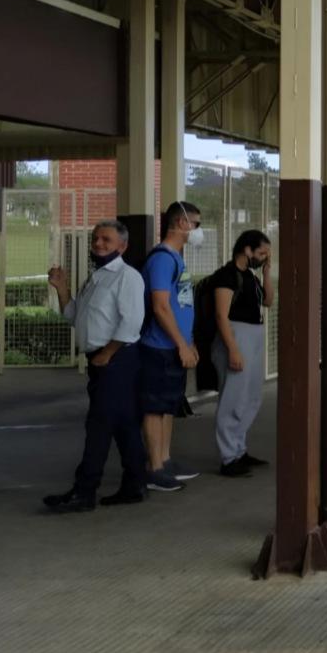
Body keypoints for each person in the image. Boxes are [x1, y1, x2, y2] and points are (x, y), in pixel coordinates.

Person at [41, 220, 149, 513]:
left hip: (117, 360)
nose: (99, 243)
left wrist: (108, 354)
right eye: (96, 238)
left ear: (122, 246)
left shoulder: (127, 277)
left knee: (99, 425)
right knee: (125, 425)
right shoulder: (97, 276)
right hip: (103, 359)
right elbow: (74, 316)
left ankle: (84, 491)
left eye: (107, 239)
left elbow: (132, 323)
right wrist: (61, 288)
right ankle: (135, 484)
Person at [138, 200, 203, 492]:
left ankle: (164, 460)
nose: (198, 231)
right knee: (154, 407)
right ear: (181, 223)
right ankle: (153, 467)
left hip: (175, 346)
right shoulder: (163, 259)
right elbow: (161, 307)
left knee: (167, 407)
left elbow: (181, 305)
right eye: (196, 224)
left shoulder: (176, 257)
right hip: (159, 347)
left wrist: (188, 343)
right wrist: (180, 344)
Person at [210, 230, 273, 478]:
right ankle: (228, 457)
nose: (264, 258)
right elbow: (220, 315)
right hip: (235, 336)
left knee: (251, 397)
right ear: (246, 250)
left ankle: (239, 448)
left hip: (254, 334)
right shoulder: (227, 276)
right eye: (261, 253)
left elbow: (268, 302)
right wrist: (233, 349)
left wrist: (267, 273)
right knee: (233, 398)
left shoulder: (250, 276)